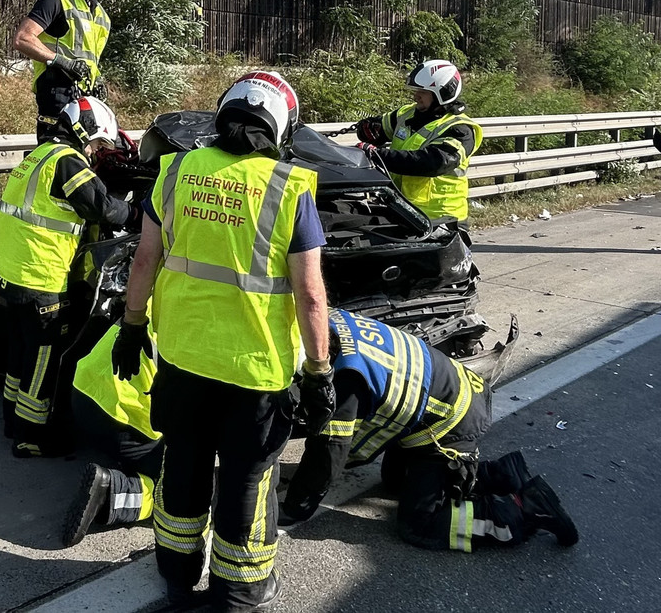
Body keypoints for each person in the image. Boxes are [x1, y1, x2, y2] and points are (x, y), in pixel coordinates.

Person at [113, 71, 334, 612]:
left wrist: (132, 325)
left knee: (183, 466)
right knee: (246, 479)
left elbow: (144, 261)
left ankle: (176, 576)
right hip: (255, 372)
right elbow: (310, 295)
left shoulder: (176, 171)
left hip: (183, 359)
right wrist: (319, 371)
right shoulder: (288, 187)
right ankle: (239, 589)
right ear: (281, 128)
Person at [281, 308, 579, 553]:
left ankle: (526, 510)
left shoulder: (345, 380)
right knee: (395, 483)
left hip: (451, 422)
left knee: (419, 524)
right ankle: (501, 474)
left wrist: (295, 508)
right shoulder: (327, 319)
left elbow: (330, 453)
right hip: (442, 397)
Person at [0, 96, 140, 458]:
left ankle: (12, 423)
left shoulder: (40, 155)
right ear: (84, 131)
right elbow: (101, 207)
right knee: (42, 363)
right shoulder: (68, 162)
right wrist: (140, 215)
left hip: (12, 274)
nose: (96, 151)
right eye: (97, 142)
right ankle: (31, 439)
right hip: (41, 279)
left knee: (20, 355)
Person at [13, 0, 126, 142]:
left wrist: (97, 80)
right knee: (57, 154)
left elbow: (89, 58)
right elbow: (23, 38)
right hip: (57, 93)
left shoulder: (101, 16)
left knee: (89, 156)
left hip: (85, 99)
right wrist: (61, 61)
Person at [62, 316, 161, 547]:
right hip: (123, 420)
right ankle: (111, 494)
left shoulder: (153, 298)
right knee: (187, 487)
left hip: (84, 395)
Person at [354, 59, 483, 230]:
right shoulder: (408, 113)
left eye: (423, 92)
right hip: (402, 211)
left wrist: (376, 155)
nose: (416, 96)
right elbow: (379, 129)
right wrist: (368, 129)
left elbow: (433, 163)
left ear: (442, 94)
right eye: (416, 91)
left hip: (442, 219)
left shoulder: (460, 129)